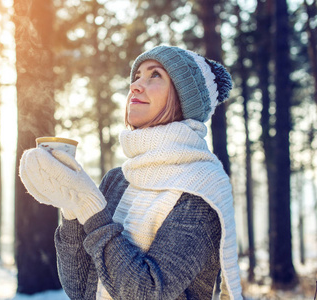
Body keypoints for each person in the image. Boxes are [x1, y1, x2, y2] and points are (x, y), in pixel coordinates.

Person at [19, 45, 243, 300]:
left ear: (184, 98)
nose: (136, 85)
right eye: (136, 76)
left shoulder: (201, 189)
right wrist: (72, 206)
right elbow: (81, 289)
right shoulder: (118, 179)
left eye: (155, 75)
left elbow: (146, 292)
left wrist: (91, 208)